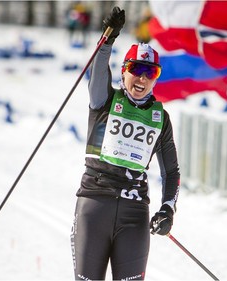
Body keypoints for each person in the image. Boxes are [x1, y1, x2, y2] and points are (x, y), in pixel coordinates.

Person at [70, 7, 180, 281]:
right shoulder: (104, 101)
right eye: (136, 69)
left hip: (134, 215)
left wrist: (168, 208)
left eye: (150, 72)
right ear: (124, 71)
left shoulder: (160, 119)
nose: (142, 78)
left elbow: (172, 172)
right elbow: (97, 69)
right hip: (94, 205)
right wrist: (107, 39)